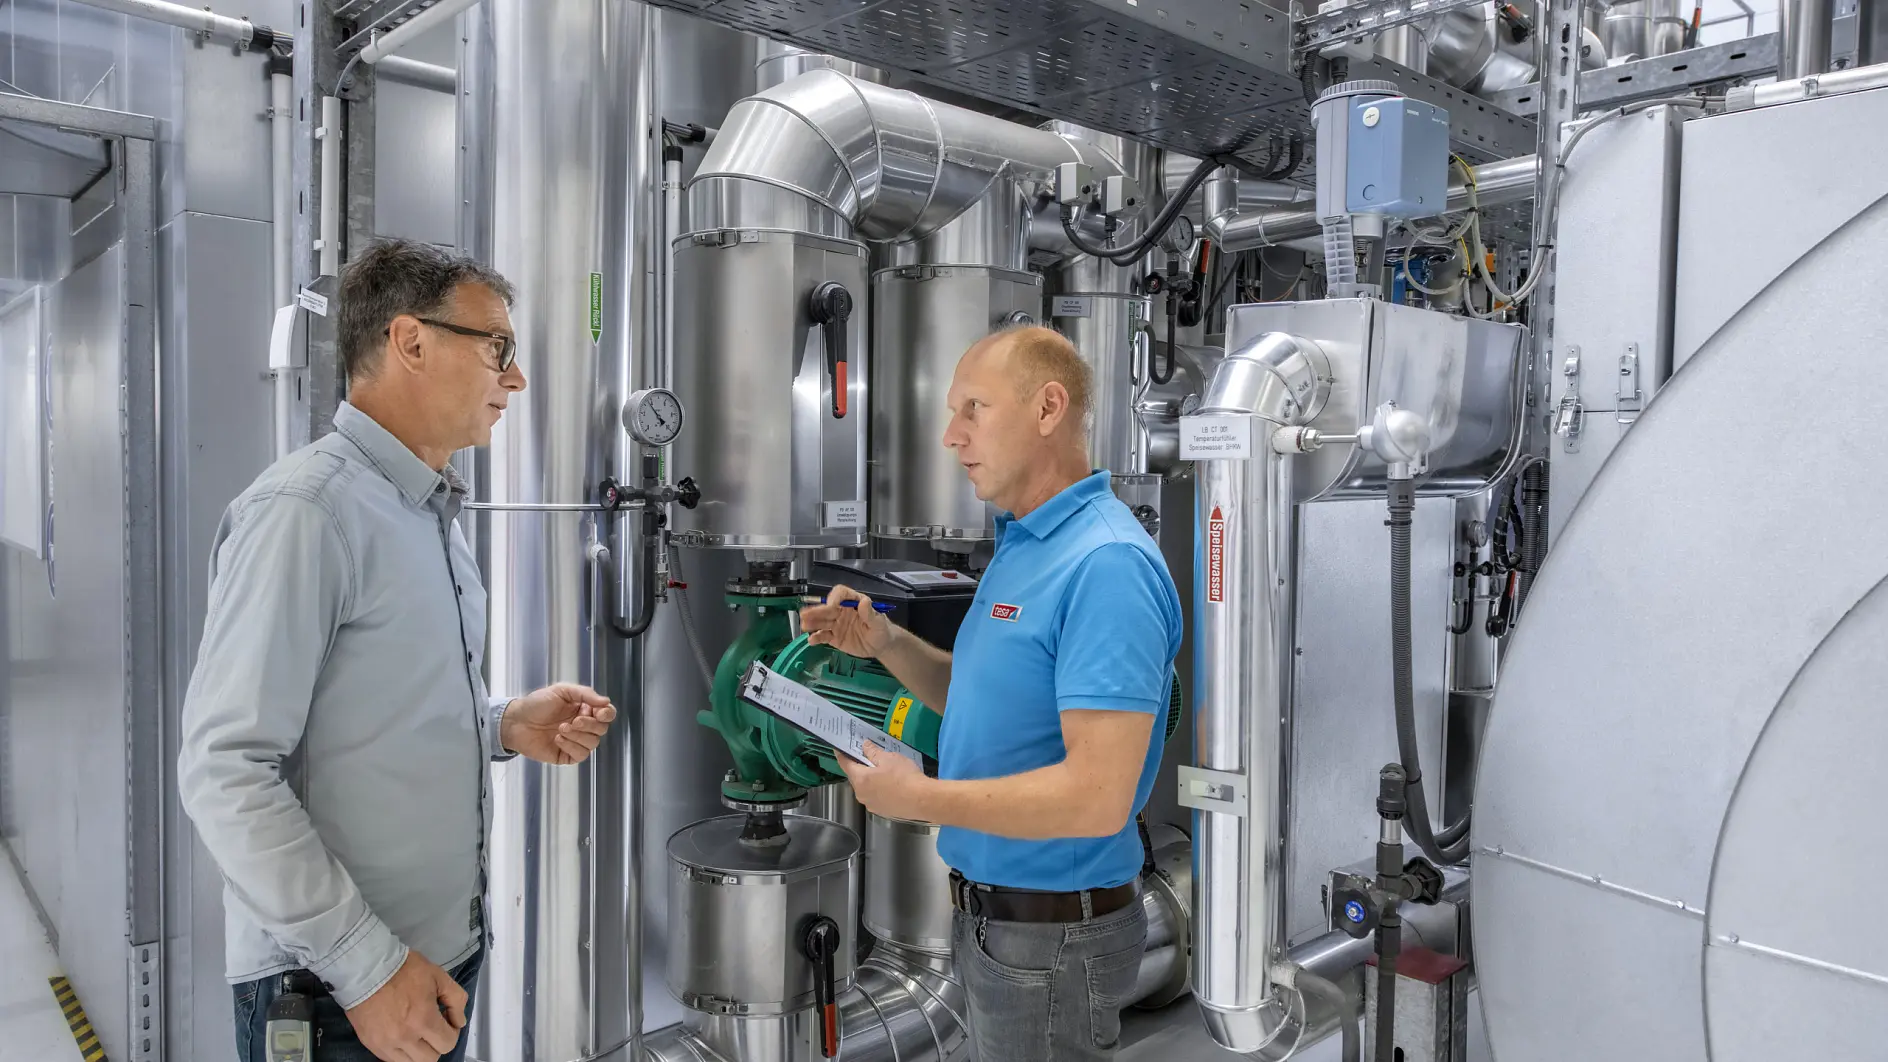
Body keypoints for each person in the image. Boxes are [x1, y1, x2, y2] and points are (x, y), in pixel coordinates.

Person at [178, 239, 618, 1062]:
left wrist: (501, 725)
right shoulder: (307, 512)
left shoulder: (427, 512)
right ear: (410, 342)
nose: (515, 380)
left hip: (431, 965)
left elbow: (367, 716)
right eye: (499, 349)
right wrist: (368, 972)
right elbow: (225, 769)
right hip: (340, 994)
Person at [800, 324, 1183, 1061]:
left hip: (1054, 937)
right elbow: (983, 697)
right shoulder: (1025, 543)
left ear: (1047, 409)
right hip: (999, 922)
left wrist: (920, 799)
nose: (951, 434)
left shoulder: (1105, 564)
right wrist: (887, 644)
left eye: (974, 407)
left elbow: (1098, 795)